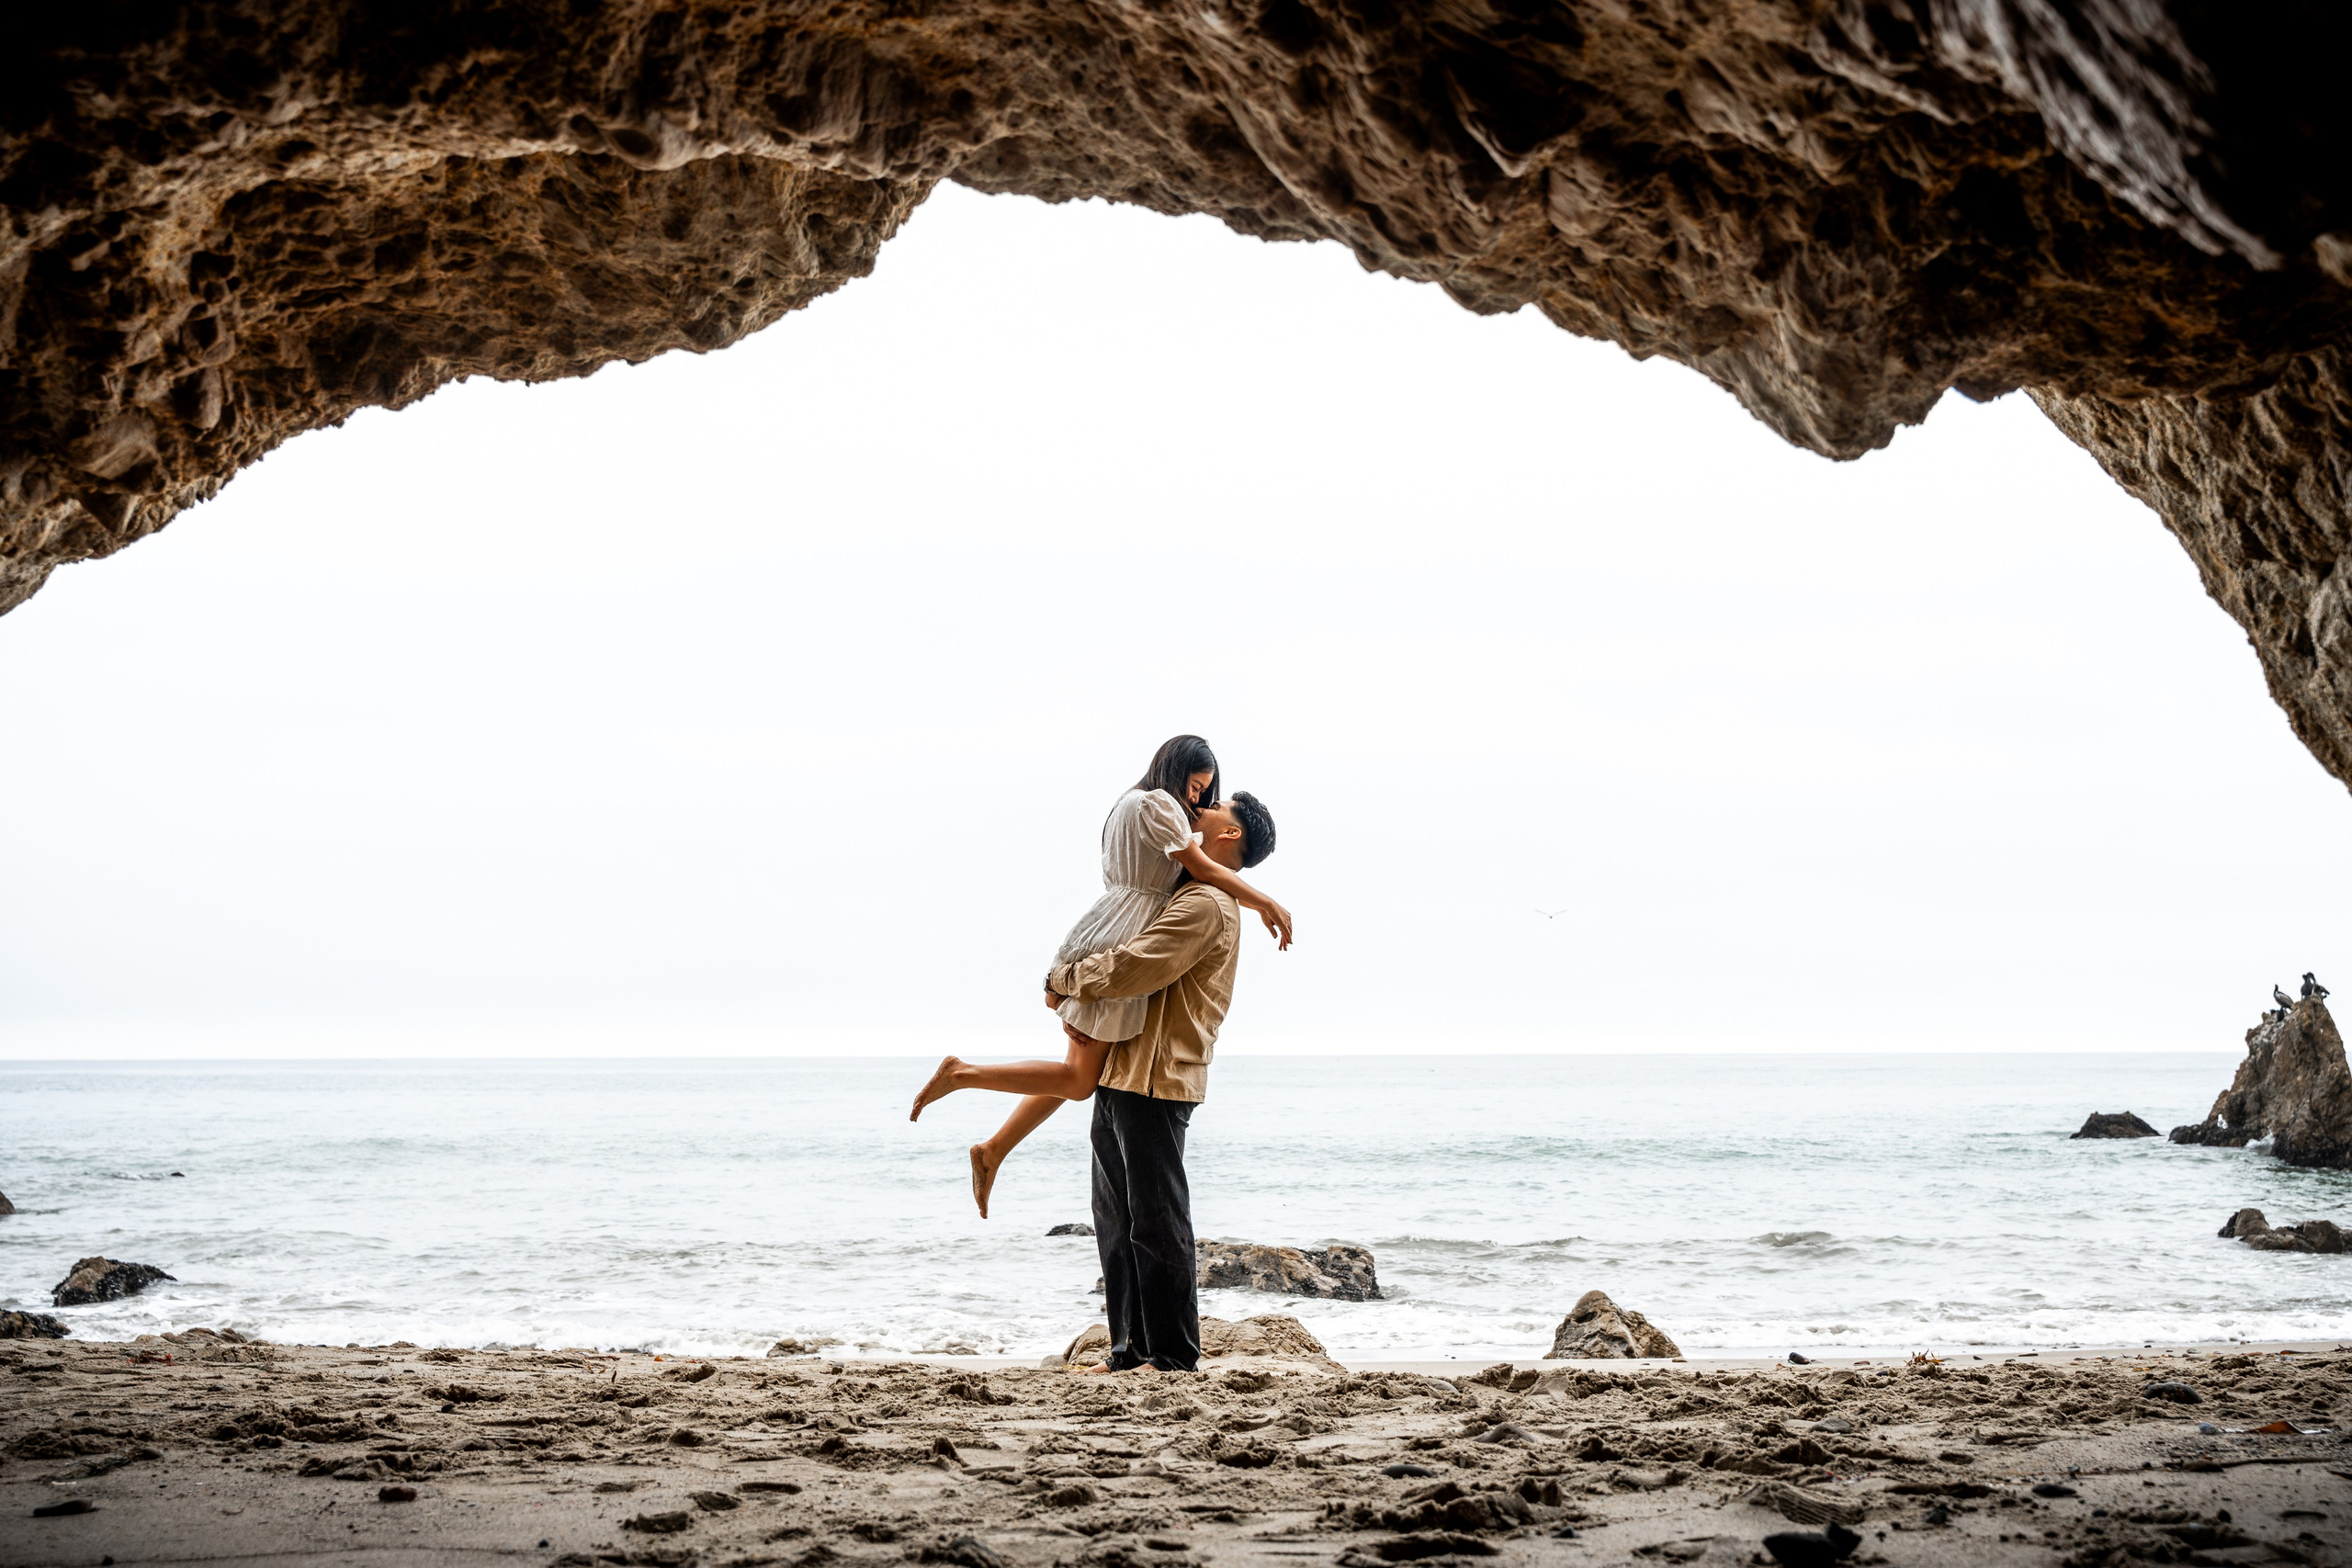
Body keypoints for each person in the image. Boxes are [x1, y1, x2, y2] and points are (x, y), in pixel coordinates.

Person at [909, 736, 1288, 1217]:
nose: (1200, 802)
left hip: (1109, 929)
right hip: (1116, 938)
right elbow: (1205, 869)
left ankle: (995, 1146)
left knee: (1082, 1073)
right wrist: (1264, 901)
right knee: (1078, 1077)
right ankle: (964, 1078)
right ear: (1176, 772)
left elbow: (1201, 869)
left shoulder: (1133, 807)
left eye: (1209, 796)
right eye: (1197, 788)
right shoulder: (1160, 809)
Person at [1049, 790, 1271, 1371]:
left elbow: (1133, 966)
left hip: (1157, 1077)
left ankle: (1171, 1356)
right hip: (1127, 1071)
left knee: (1157, 1221)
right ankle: (1128, 1352)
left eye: (1218, 805)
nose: (1205, 805)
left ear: (1230, 836)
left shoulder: (1206, 904)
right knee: (1116, 1218)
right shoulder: (1190, 892)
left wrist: (1064, 977)